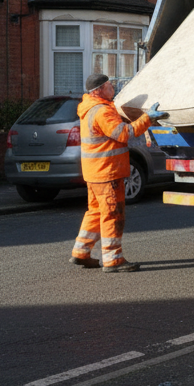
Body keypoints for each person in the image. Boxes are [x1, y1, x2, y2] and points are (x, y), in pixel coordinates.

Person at [71, 73, 164, 273]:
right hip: (107, 172)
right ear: (98, 91)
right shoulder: (102, 112)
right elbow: (124, 134)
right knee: (113, 214)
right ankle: (113, 260)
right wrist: (147, 118)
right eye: (109, 85)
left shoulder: (91, 108)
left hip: (95, 172)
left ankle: (81, 251)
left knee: (95, 212)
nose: (112, 87)